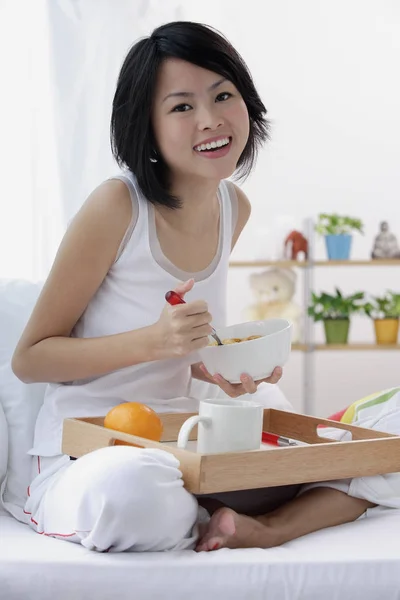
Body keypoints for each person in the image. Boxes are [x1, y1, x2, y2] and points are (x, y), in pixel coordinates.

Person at [12, 21, 374, 553]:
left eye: (223, 95)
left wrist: (224, 370)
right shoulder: (118, 206)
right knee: (137, 492)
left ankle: (257, 525)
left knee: (364, 458)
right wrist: (152, 342)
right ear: (147, 126)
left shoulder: (233, 207)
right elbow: (31, 359)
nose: (211, 119)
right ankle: (202, 506)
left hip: (187, 435)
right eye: (181, 106)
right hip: (92, 447)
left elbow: (186, 355)